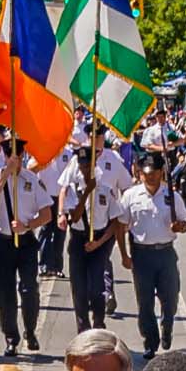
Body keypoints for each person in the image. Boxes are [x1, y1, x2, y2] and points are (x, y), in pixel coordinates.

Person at [0, 137, 55, 358]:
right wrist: (7, 172)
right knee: (5, 294)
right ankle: (11, 338)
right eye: (13, 156)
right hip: (2, 242)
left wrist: (28, 225)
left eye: (20, 156)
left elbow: (46, 213)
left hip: (24, 242)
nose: (17, 160)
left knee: (28, 289)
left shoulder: (31, 180)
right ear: (5, 156)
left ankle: (30, 330)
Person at [119, 151, 186, 356]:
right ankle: (150, 342)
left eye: (154, 173)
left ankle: (167, 325)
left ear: (161, 173)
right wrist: (124, 254)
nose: (149, 176)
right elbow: (121, 225)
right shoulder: (131, 196)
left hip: (165, 253)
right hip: (142, 255)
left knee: (170, 297)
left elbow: (184, 223)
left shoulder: (172, 196)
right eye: (146, 173)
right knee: (145, 301)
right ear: (141, 173)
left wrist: (180, 227)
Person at [61, 139, 125, 333]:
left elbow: (115, 222)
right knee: (79, 289)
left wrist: (99, 243)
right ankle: (83, 328)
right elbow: (75, 216)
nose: (84, 169)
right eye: (81, 165)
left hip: (99, 241)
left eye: (87, 165)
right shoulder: (73, 190)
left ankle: (98, 322)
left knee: (97, 289)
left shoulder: (105, 190)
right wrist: (86, 192)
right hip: (79, 239)